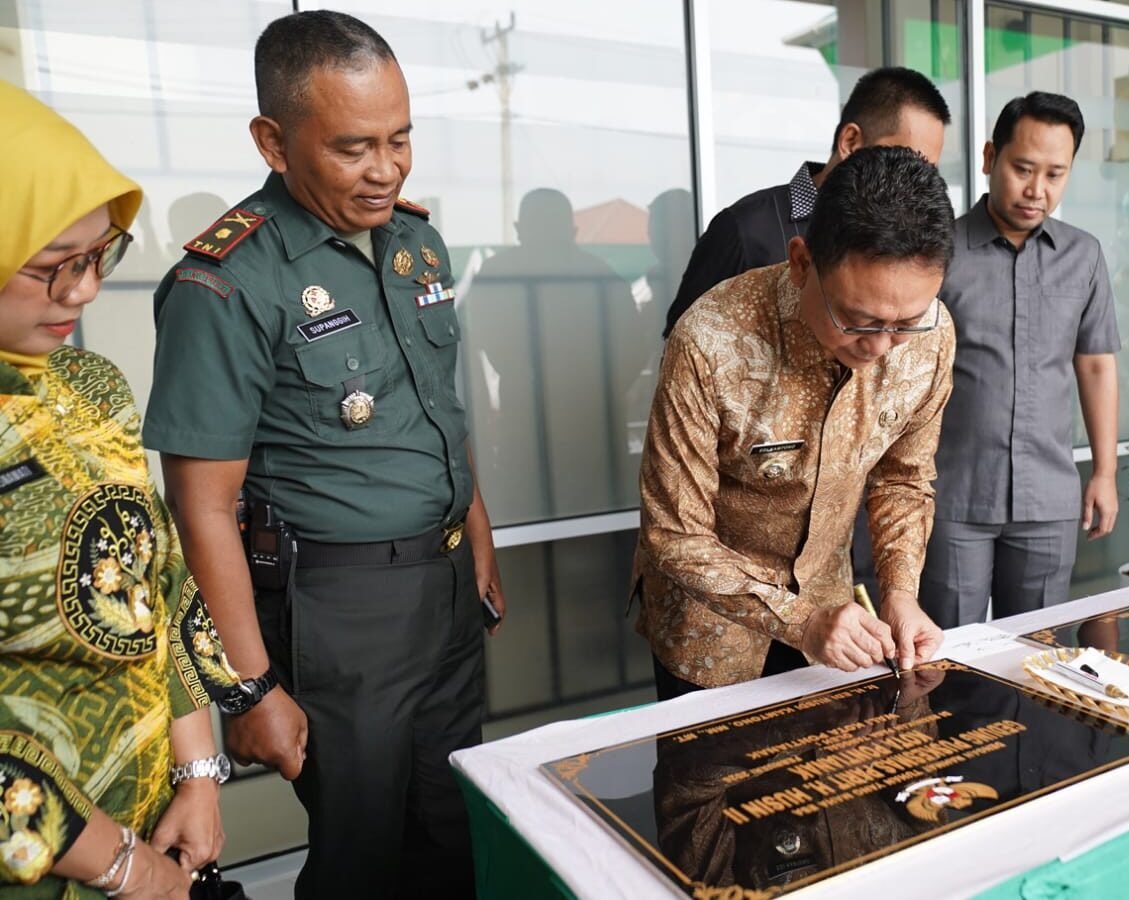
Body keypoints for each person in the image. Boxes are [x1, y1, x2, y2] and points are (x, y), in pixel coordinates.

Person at [141, 12, 502, 898]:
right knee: (365, 858)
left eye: (400, 139)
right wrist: (250, 686)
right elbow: (201, 505)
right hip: (341, 617)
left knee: (456, 833)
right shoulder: (224, 282)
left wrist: (476, 538)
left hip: (446, 594)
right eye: (353, 148)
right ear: (273, 141)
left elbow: (438, 407)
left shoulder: (416, 243)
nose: (385, 169)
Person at [0, 81, 237, 898]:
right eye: (53, 267)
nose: (86, 290)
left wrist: (201, 771)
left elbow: (162, 586)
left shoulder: (89, 387)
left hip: (159, 830)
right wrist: (123, 869)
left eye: (100, 254)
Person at [635, 146, 953, 698]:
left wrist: (901, 591)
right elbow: (674, 534)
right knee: (709, 782)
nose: (881, 347)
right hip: (708, 630)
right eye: (858, 320)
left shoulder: (933, 336)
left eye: (905, 323)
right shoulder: (709, 343)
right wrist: (800, 621)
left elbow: (903, 478)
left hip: (837, 620)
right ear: (803, 262)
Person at [919, 92, 1120, 627]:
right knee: (947, 651)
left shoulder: (1084, 255)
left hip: (1048, 498)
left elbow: (1096, 364)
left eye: (1056, 174)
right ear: (990, 159)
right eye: (1023, 168)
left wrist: (1104, 471)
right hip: (954, 493)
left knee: (1037, 652)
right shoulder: (939, 251)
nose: (1037, 190)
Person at [662, 66, 951, 337]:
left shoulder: (920, 244)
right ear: (850, 141)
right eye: (906, 158)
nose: (914, 176)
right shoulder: (744, 230)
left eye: (928, 169)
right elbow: (685, 338)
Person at [463, 188, 642, 519]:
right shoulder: (601, 274)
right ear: (572, 229)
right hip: (581, 419)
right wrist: (603, 390)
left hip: (551, 416)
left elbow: (488, 340)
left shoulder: (497, 273)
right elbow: (634, 347)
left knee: (537, 510)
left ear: (519, 229)